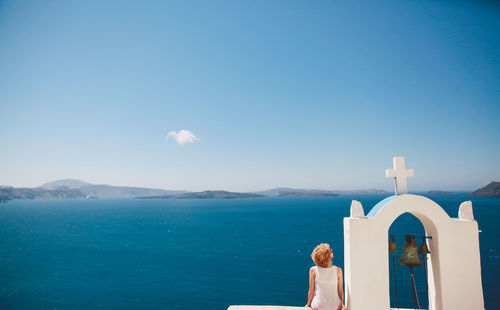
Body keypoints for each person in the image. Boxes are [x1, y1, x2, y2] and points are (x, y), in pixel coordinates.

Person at [305, 243, 344, 310]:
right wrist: (342, 303)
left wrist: (308, 304)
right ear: (329, 257)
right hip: (335, 306)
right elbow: (340, 290)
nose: (331, 250)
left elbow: (311, 291)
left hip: (318, 306)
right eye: (329, 251)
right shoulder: (338, 270)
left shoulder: (313, 270)